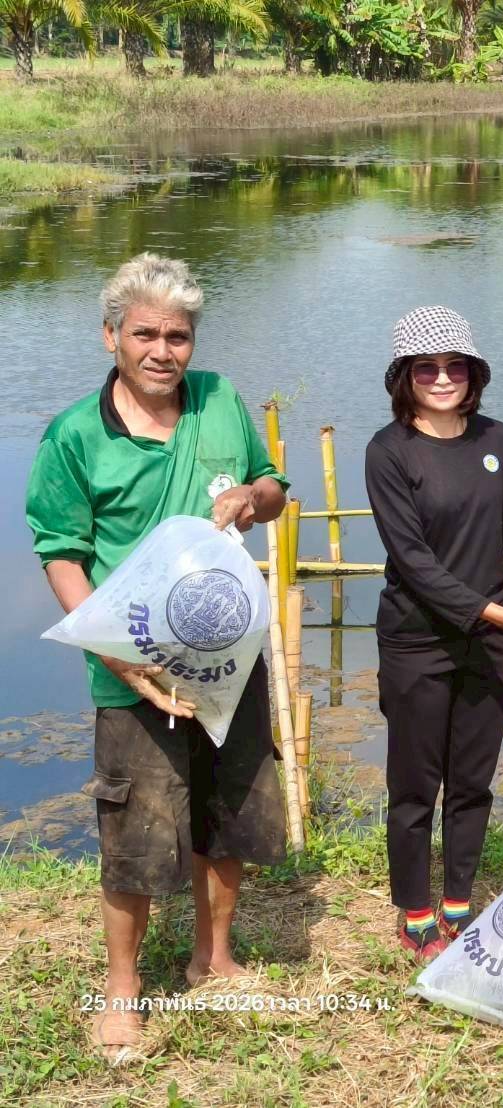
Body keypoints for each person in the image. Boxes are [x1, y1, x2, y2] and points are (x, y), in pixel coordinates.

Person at [25, 253, 290, 1063]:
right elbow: (61, 552)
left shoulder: (220, 402)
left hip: (227, 655)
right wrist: (114, 649)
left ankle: (212, 957)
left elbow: (273, 487)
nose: (162, 350)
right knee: (135, 834)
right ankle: (122, 992)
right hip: (129, 665)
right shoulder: (75, 435)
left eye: (178, 335)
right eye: (144, 333)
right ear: (111, 336)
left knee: (230, 809)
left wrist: (251, 497)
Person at [365, 306, 503, 960]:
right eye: (426, 367)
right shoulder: (388, 451)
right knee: (412, 787)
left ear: (472, 372)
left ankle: (458, 897)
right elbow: (415, 562)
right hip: (417, 640)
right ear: (405, 375)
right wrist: (501, 614)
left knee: (472, 778)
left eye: (453, 365)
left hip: (486, 640)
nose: (441, 378)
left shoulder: (495, 438)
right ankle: (413, 907)